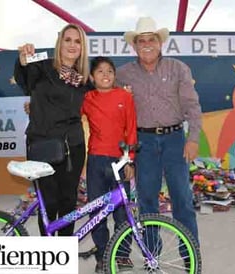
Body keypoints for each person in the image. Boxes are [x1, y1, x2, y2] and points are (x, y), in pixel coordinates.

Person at [117, 17, 202, 244]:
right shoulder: (122, 74)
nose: (146, 44)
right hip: (142, 142)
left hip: (175, 140)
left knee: (182, 199)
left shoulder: (178, 68)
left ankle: (190, 256)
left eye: (151, 39)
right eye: (141, 40)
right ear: (134, 45)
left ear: (159, 42)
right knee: (146, 201)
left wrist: (193, 138)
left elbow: (192, 106)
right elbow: (112, 109)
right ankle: (152, 256)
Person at [14, 23, 89, 236]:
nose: (72, 45)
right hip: (42, 145)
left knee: (67, 203)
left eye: (77, 41)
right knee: (49, 202)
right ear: (59, 42)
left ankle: (63, 256)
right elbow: (24, 76)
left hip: (73, 147)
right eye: (68, 40)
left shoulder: (84, 79)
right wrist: (22, 59)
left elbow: (105, 95)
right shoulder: (43, 64)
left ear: (82, 47)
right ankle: (48, 253)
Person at [81, 56, 137, 272]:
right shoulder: (87, 98)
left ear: (115, 75)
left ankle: (122, 255)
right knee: (97, 211)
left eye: (109, 71)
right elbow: (67, 116)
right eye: (100, 71)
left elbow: (131, 130)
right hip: (96, 160)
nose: (105, 75)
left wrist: (130, 160)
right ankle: (103, 255)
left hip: (120, 161)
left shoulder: (125, 96)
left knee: (122, 211)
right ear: (92, 77)